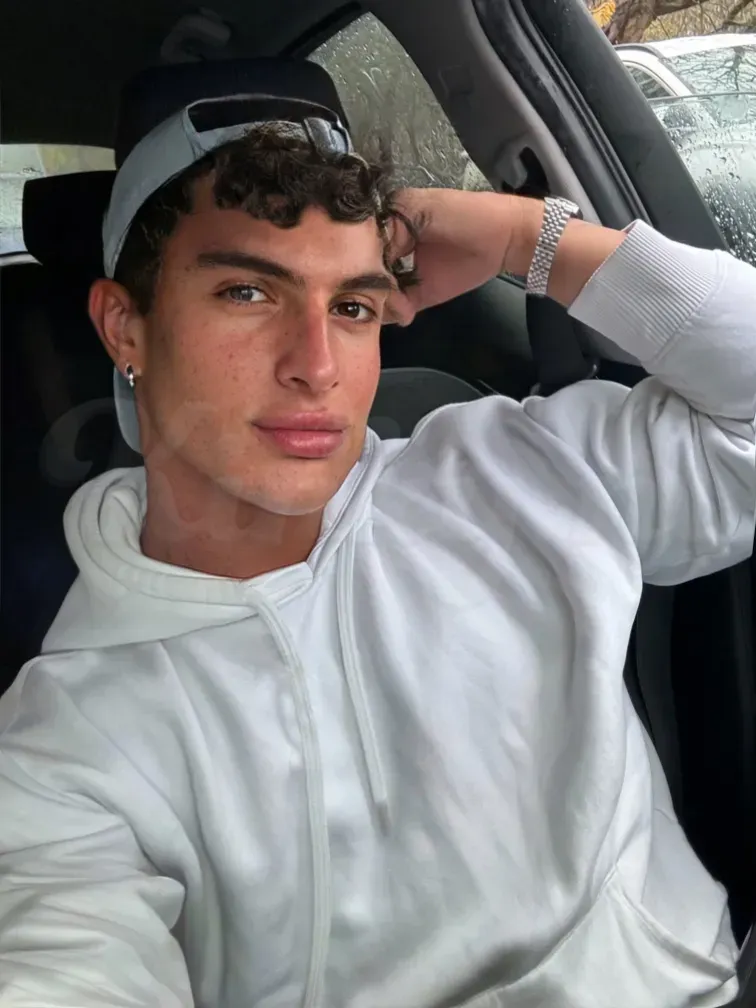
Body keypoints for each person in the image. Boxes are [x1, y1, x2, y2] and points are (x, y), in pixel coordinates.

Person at [0, 70, 754, 1008]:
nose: (316, 365)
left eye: (353, 307)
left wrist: (529, 237)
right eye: (248, 291)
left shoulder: (516, 470)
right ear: (125, 327)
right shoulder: (67, 744)